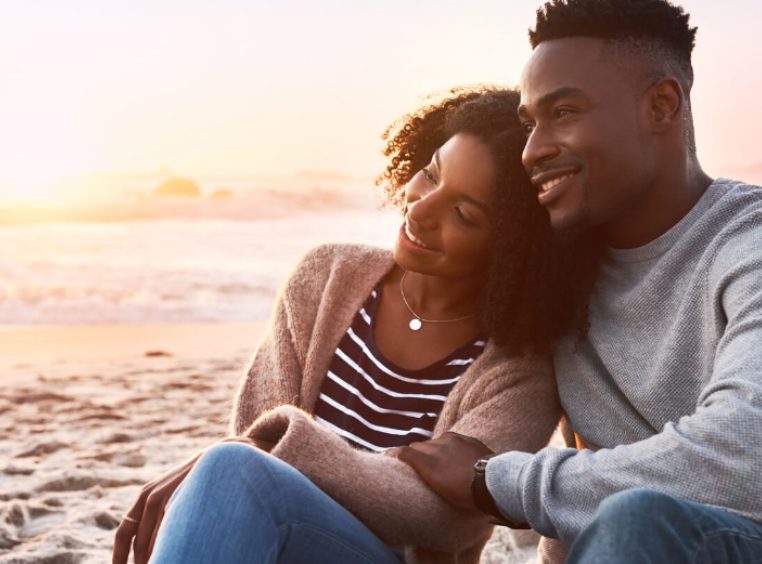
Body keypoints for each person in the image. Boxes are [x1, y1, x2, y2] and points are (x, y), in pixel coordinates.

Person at [112, 87, 587, 564]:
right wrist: (376, 464)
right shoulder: (325, 277)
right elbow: (253, 431)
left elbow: (440, 518)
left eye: (462, 213)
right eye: (431, 173)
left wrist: (282, 443)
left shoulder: (518, 369)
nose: (421, 209)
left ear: (514, 250)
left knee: (233, 467)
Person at [395, 1, 762, 563]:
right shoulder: (553, 273)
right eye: (529, 123)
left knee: (636, 516)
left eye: (563, 112)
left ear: (661, 106)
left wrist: (494, 481)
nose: (533, 149)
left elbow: (745, 453)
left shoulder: (748, 242)